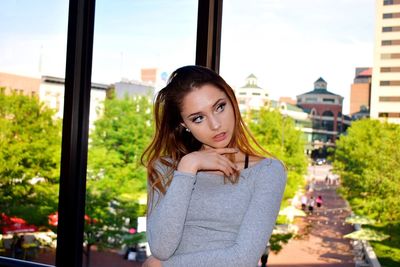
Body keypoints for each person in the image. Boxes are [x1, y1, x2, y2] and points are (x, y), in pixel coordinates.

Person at [141, 65, 287, 267]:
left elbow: (243, 259)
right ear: (184, 125)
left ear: (232, 101)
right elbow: (161, 248)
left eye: (220, 107)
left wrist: (163, 266)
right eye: (198, 118)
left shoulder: (267, 172)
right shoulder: (165, 168)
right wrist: (188, 167)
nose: (215, 125)